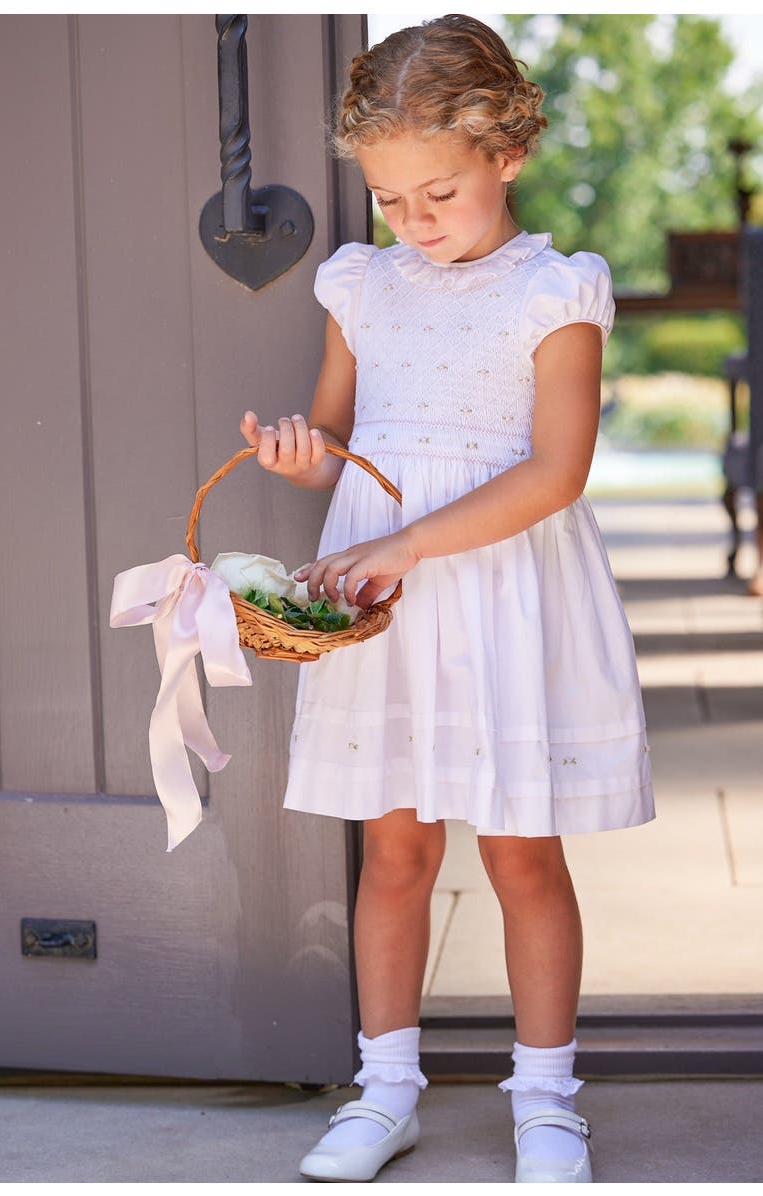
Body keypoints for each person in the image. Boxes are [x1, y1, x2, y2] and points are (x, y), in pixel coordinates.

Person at [240, 14, 654, 1184]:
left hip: (503, 591)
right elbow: (336, 434)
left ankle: (545, 1098)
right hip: (388, 597)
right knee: (395, 849)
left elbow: (555, 471)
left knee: (523, 852)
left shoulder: (555, 292)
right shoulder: (363, 285)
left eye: (440, 195)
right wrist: (295, 451)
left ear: (507, 154)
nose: (413, 225)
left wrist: (416, 539)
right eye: (389, 199)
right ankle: (385, 1090)